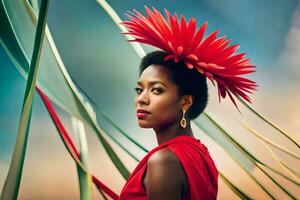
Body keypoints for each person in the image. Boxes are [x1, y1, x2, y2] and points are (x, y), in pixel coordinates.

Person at [119, 6, 256, 200]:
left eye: (157, 90)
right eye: (140, 90)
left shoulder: (163, 162)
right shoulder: (201, 155)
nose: (142, 99)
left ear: (185, 102)